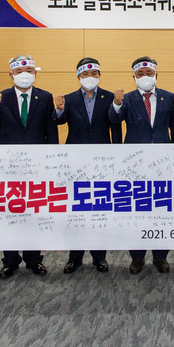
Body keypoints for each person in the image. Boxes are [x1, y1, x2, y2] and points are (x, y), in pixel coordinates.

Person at [0, 55, 58, 280]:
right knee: (10, 212)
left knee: (34, 212)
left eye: (29, 70)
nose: (24, 74)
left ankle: (34, 259)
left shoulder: (44, 97)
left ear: (35, 73)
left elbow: (51, 129)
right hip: (8, 164)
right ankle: (10, 260)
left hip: (36, 164)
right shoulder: (2, 97)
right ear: (11, 75)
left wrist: (52, 159)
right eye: (19, 71)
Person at [109, 56, 174, 274]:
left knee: (162, 210)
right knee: (136, 211)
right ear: (134, 77)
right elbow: (114, 120)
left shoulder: (168, 97)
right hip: (135, 164)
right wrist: (116, 104)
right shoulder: (127, 99)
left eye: (149, 73)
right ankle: (137, 256)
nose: (145, 77)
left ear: (156, 75)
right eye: (140, 74)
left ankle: (160, 256)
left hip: (163, 162)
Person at [53, 57, 122, 275]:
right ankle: (75, 257)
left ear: (99, 75)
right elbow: (59, 121)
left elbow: (115, 127)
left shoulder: (109, 97)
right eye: (85, 74)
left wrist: (117, 155)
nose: (90, 78)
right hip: (76, 161)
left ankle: (99, 257)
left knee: (99, 210)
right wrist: (59, 110)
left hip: (102, 162)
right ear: (78, 76)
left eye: (94, 74)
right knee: (76, 210)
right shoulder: (69, 99)